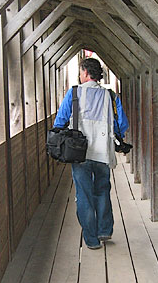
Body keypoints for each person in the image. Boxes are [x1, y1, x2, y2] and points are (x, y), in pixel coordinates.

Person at [53, 58, 129, 249]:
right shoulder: (110, 96)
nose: (80, 75)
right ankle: (104, 230)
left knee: (84, 194)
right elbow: (122, 124)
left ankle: (91, 239)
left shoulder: (74, 93)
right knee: (102, 190)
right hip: (103, 152)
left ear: (86, 73)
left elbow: (59, 121)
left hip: (80, 153)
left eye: (80, 72)